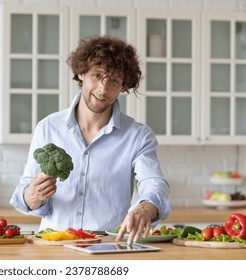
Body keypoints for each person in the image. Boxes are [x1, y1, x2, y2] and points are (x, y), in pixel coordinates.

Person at [10, 35, 170, 244]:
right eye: (97, 75)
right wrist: (33, 195)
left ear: (123, 86)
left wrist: (146, 206)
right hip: (54, 249)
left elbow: (153, 182)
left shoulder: (138, 136)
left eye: (113, 80)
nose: (103, 89)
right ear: (81, 73)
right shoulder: (48, 127)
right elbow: (26, 198)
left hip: (108, 249)